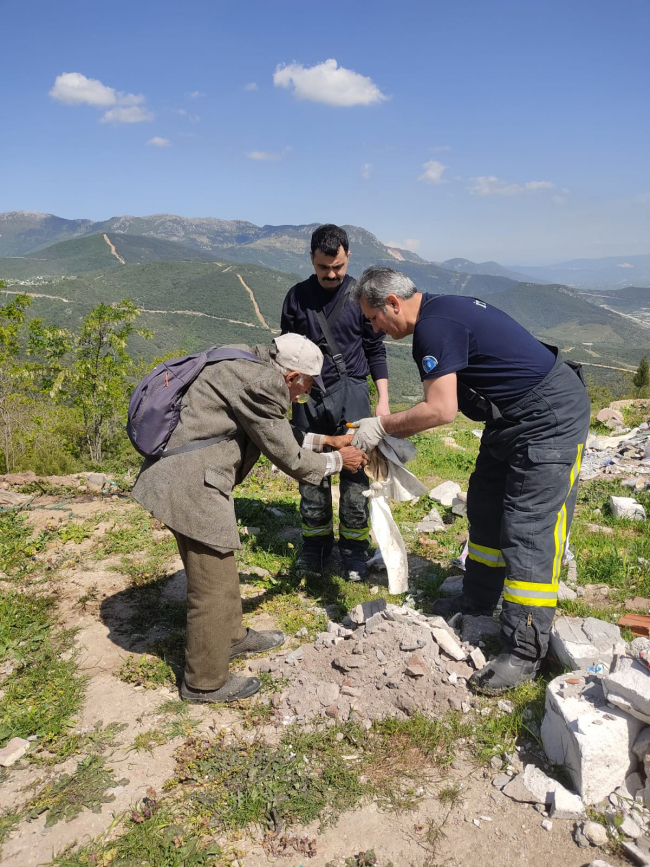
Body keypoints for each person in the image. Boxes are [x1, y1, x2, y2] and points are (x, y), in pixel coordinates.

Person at [348, 267, 590, 694]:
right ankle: (477, 599)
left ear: (392, 303)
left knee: (528, 527)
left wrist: (382, 426)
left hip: (550, 416)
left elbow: (441, 410)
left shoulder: (434, 328)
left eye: (373, 318)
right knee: (485, 505)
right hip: (510, 416)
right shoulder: (438, 313)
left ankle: (523, 650)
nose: (374, 328)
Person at [132, 334, 367, 703]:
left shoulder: (250, 363)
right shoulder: (262, 383)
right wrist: (339, 461)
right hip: (189, 484)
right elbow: (287, 456)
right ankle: (203, 683)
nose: (304, 395)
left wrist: (326, 441)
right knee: (209, 586)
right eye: (305, 387)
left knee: (221, 568)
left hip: (183, 475)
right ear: (291, 377)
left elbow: (270, 428)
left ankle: (231, 637)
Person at [280, 224, 390, 580]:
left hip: (354, 393)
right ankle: (316, 546)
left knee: (356, 472)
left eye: (338, 267)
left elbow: (375, 348)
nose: (331, 274)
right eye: (324, 267)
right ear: (311, 258)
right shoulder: (296, 298)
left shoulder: (361, 297)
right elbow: (287, 353)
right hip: (308, 396)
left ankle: (355, 549)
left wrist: (383, 398)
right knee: (311, 470)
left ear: (348, 257)